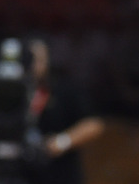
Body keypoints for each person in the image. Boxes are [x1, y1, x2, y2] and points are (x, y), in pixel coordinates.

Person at [25, 39, 104, 184]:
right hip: (23, 173)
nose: (33, 65)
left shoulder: (64, 89)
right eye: (28, 59)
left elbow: (94, 124)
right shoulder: (10, 93)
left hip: (60, 174)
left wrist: (62, 142)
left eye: (38, 60)